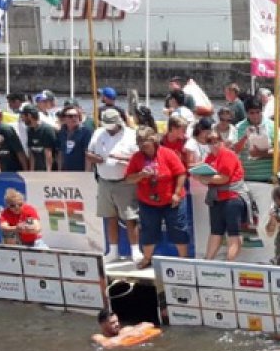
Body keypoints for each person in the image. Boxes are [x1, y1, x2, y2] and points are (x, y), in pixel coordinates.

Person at [124, 126, 190, 268]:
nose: (141, 144)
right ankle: (147, 259)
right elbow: (128, 178)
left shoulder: (168, 153)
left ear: (153, 140)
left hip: (171, 200)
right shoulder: (136, 157)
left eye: (144, 141)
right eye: (139, 141)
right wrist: (141, 175)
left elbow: (181, 173)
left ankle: (184, 260)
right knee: (148, 231)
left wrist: (177, 193)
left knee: (178, 229)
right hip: (148, 202)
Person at [87, 108, 141, 263]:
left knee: (130, 218)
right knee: (110, 217)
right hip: (104, 181)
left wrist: (121, 158)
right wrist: (95, 159)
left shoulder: (131, 134)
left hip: (125, 182)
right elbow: (89, 152)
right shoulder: (98, 133)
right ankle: (113, 251)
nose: (109, 128)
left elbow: (138, 159)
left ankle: (135, 250)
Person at [195, 132, 246, 262]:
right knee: (215, 231)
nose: (214, 144)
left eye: (216, 141)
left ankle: (229, 263)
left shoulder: (228, 154)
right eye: (210, 142)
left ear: (222, 141)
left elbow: (224, 178)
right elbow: (206, 178)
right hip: (217, 198)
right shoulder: (209, 158)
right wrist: (202, 177)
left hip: (232, 197)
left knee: (233, 233)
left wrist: (205, 178)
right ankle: (208, 261)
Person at [233, 97, 275, 182]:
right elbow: (234, 151)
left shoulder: (272, 126)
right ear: (246, 113)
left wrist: (260, 153)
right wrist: (245, 137)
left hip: (268, 178)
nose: (255, 116)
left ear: (262, 111)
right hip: (246, 178)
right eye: (252, 113)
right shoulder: (238, 127)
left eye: (258, 112)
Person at [91, 309, 157, 349]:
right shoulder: (98, 336)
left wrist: (137, 330)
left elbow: (149, 325)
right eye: (112, 323)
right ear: (102, 325)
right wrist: (127, 335)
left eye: (117, 321)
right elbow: (106, 344)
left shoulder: (124, 330)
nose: (117, 324)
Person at [21, 104, 58, 171]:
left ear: (29, 116)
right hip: (37, 170)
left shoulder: (46, 129)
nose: (22, 119)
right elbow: (31, 153)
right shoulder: (29, 130)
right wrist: (31, 172)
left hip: (47, 169)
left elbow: (48, 154)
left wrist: (48, 173)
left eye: (23, 116)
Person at [56, 105, 92, 172]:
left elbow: (88, 155)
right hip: (65, 171)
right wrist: (59, 171)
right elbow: (60, 153)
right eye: (70, 116)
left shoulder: (86, 132)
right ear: (64, 118)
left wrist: (87, 173)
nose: (74, 118)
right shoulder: (61, 131)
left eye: (76, 116)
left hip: (80, 171)